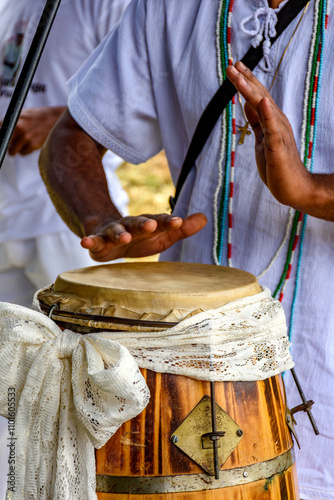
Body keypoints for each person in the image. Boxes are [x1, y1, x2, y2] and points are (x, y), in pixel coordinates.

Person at [39, 0, 334, 498]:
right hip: (180, 370)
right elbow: (70, 140)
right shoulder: (168, 7)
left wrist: (309, 191)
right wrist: (101, 220)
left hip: (321, 354)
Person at [0, 0, 130, 497]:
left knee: (87, 384)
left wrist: (57, 117)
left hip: (67, 223)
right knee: (10, 386)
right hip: (7, 218)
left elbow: (145, 110)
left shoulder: (111, 4)